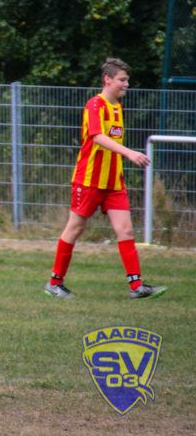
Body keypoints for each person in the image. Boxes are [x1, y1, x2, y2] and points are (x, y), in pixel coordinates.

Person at [44, 58, 167, 300]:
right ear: (107, 80)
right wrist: (129, 153)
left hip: (114, 183)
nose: (126, 84)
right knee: (75, 228)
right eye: (122, 80)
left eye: (127, 80)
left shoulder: (118, 108)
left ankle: (136, 286)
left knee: (126, 230)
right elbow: (97, 136)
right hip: (89, 180)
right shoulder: (95, 104)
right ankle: (55, 283)